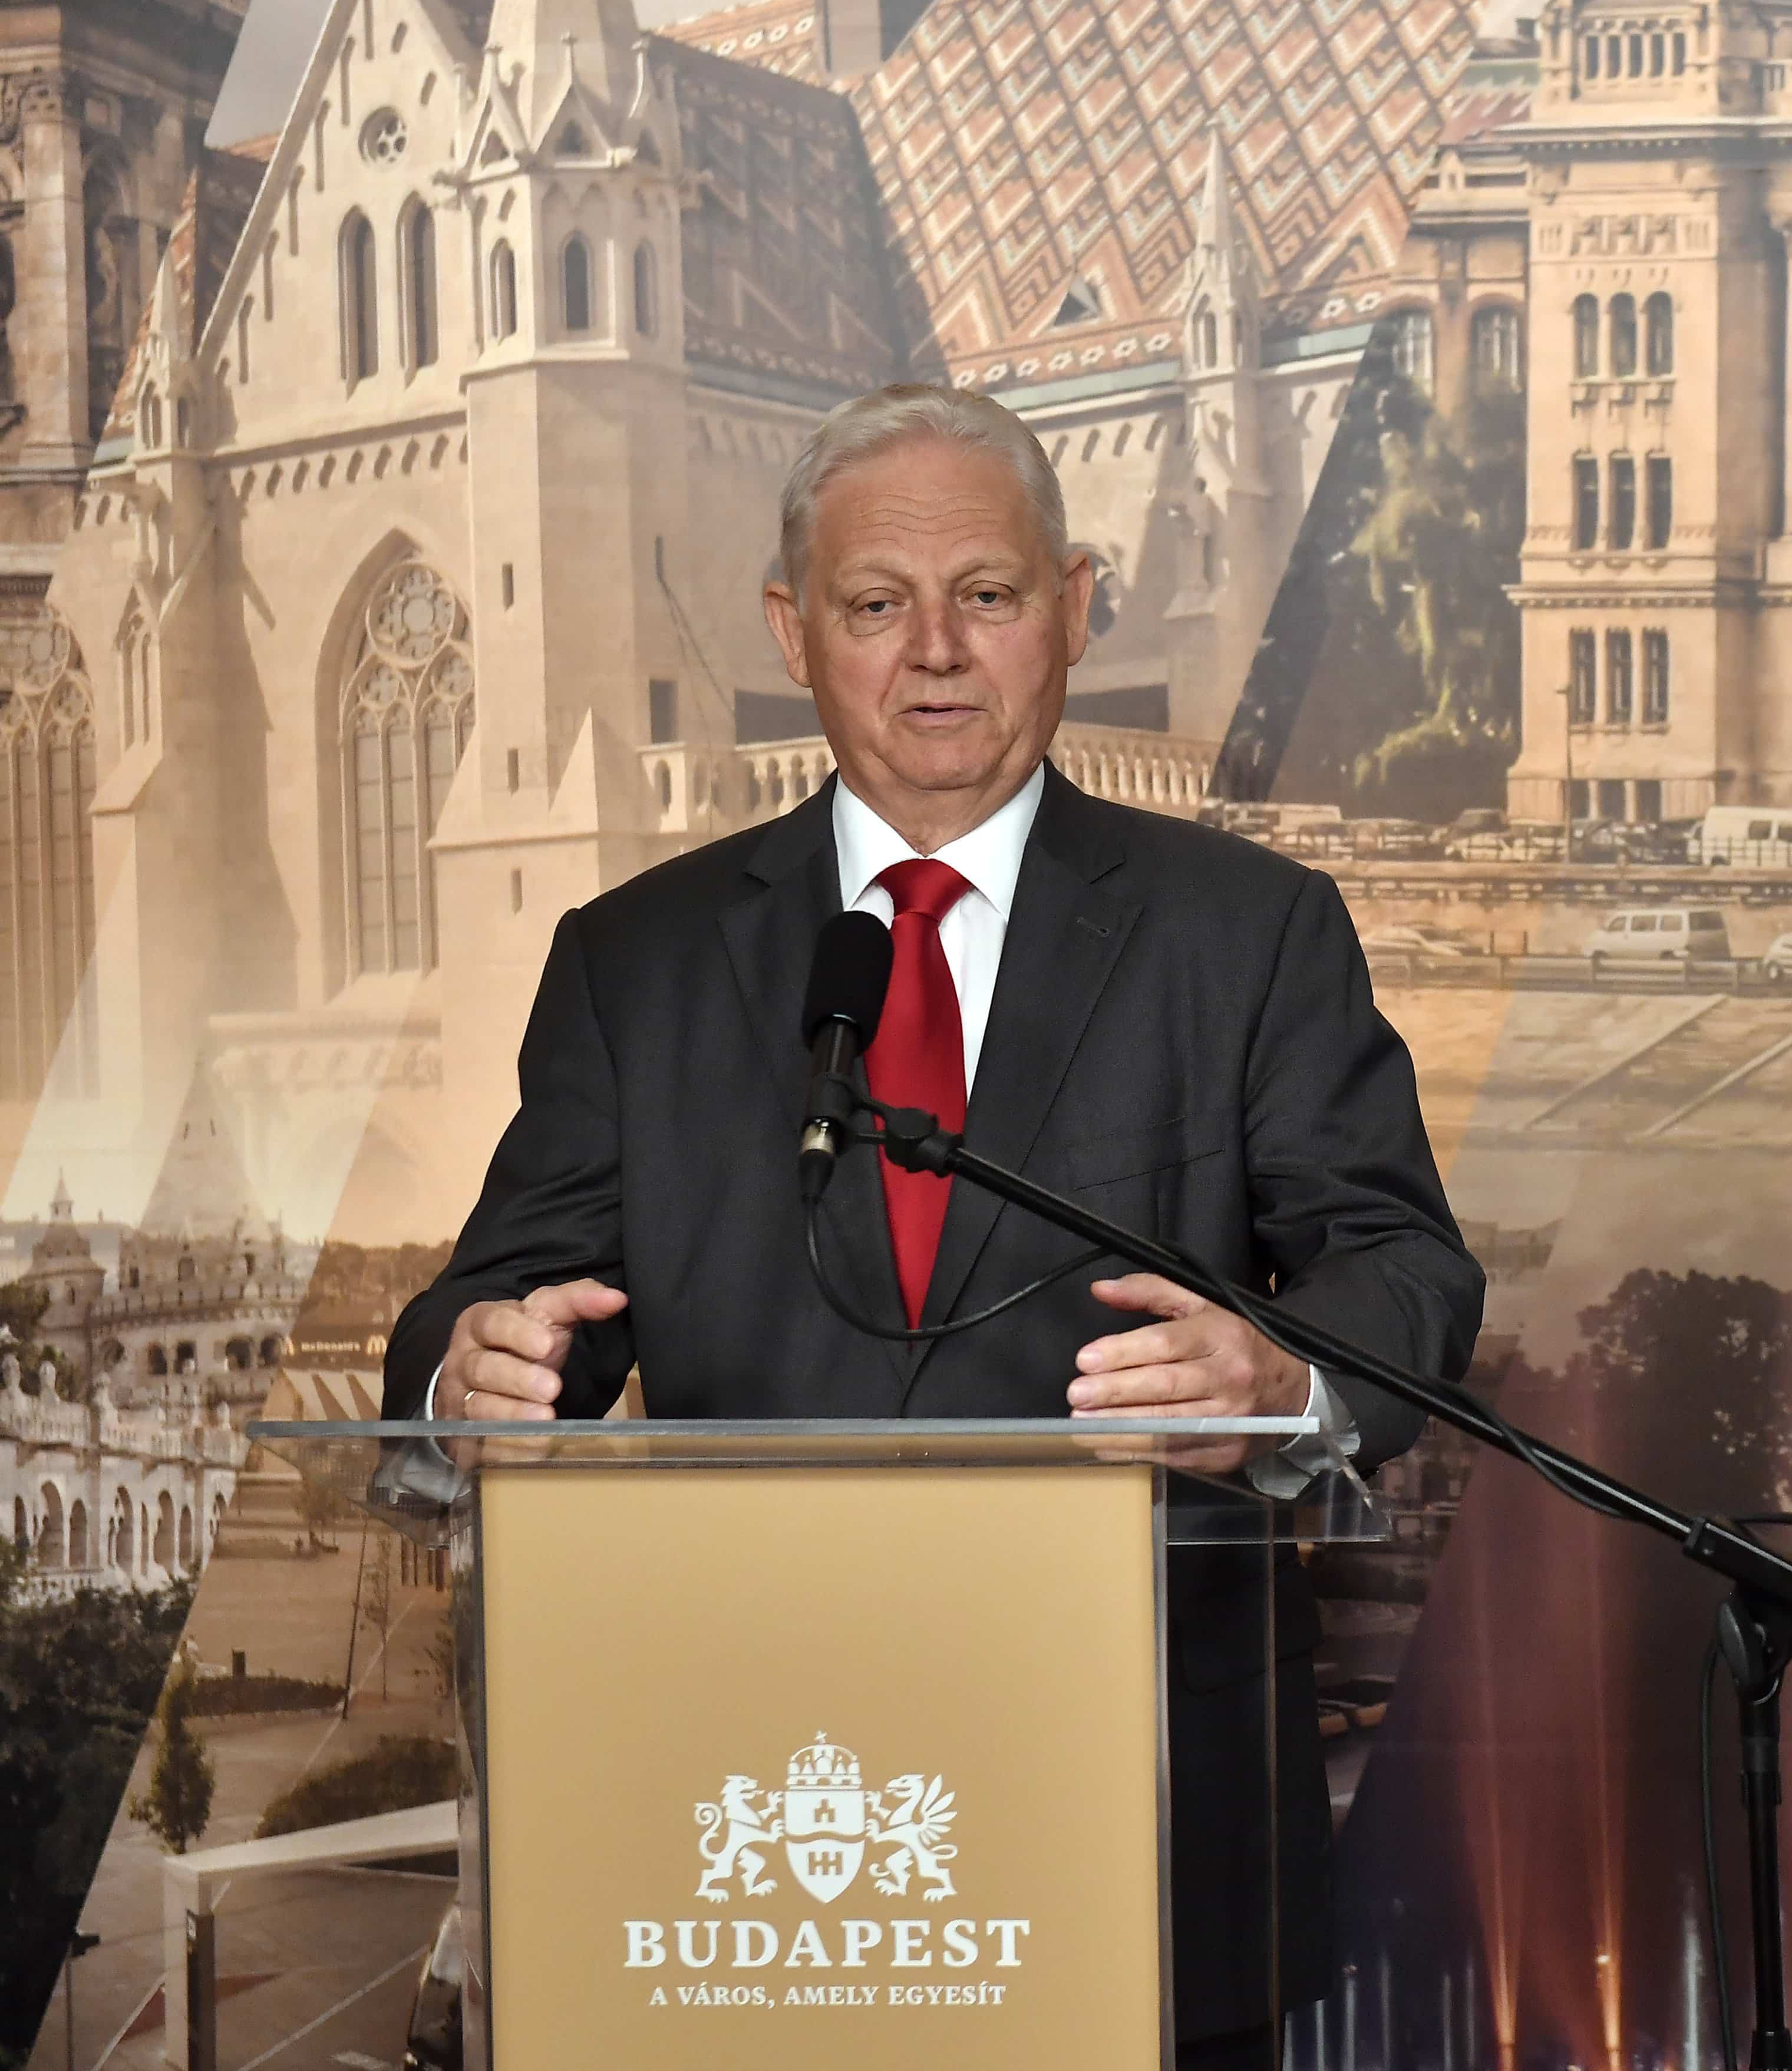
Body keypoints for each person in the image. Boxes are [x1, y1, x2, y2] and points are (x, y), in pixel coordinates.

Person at [382, 382, 1486, 2069]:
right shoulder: (637, 961)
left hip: (1144, 1810)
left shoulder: (1247, 933)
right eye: (875, 606)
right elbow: (493, 1307)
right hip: (749, 1840)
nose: (937, 654)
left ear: (1075, 606)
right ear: (792, 632)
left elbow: (1404, 1270)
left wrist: (1286, 1376)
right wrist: (469, 1375)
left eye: (987, 594)